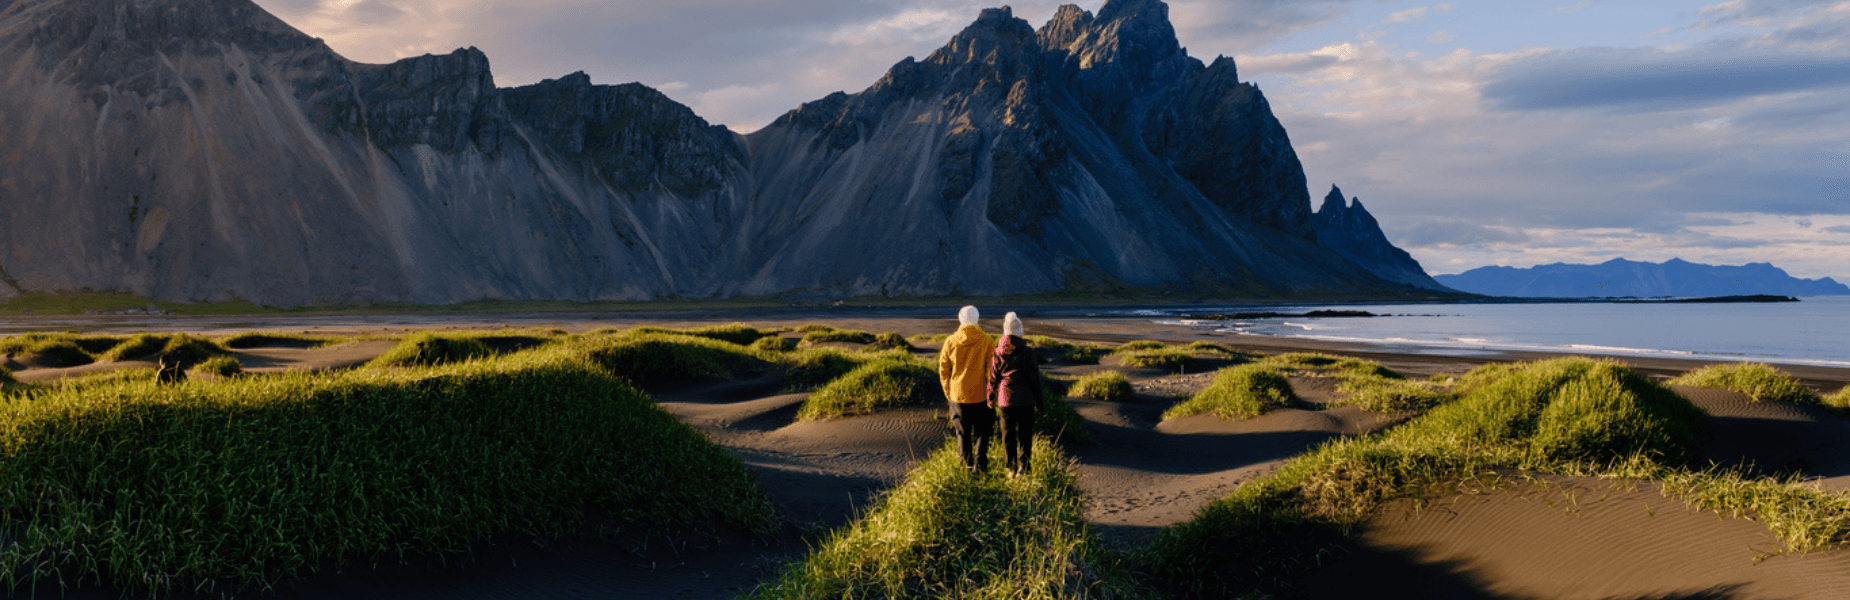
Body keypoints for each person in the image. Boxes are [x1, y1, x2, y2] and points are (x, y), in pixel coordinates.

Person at [987, 312, 1044, 477]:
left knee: (1008, 436)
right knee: (1025, 437)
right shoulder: (1029, 352)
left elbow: (993, 379)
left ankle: (1010, 469)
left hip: (1006, 401)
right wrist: (1040, 403)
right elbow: (1036, 381)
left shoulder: (998, 352)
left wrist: (990, 399)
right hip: (1026, 401)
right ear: (1020, 330)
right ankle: (1024, 469)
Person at [939, 305, 995, 472]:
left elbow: (943, 370)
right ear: (977, 320)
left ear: (960, 319)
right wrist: (991, 393)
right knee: (982, 432)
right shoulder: (987, 340)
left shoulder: (950, 341)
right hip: (981, 395)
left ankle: (966, 467)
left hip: (958, 395)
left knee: (962, 433)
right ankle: (980, 466)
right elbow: (991, 372)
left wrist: (949, 392)